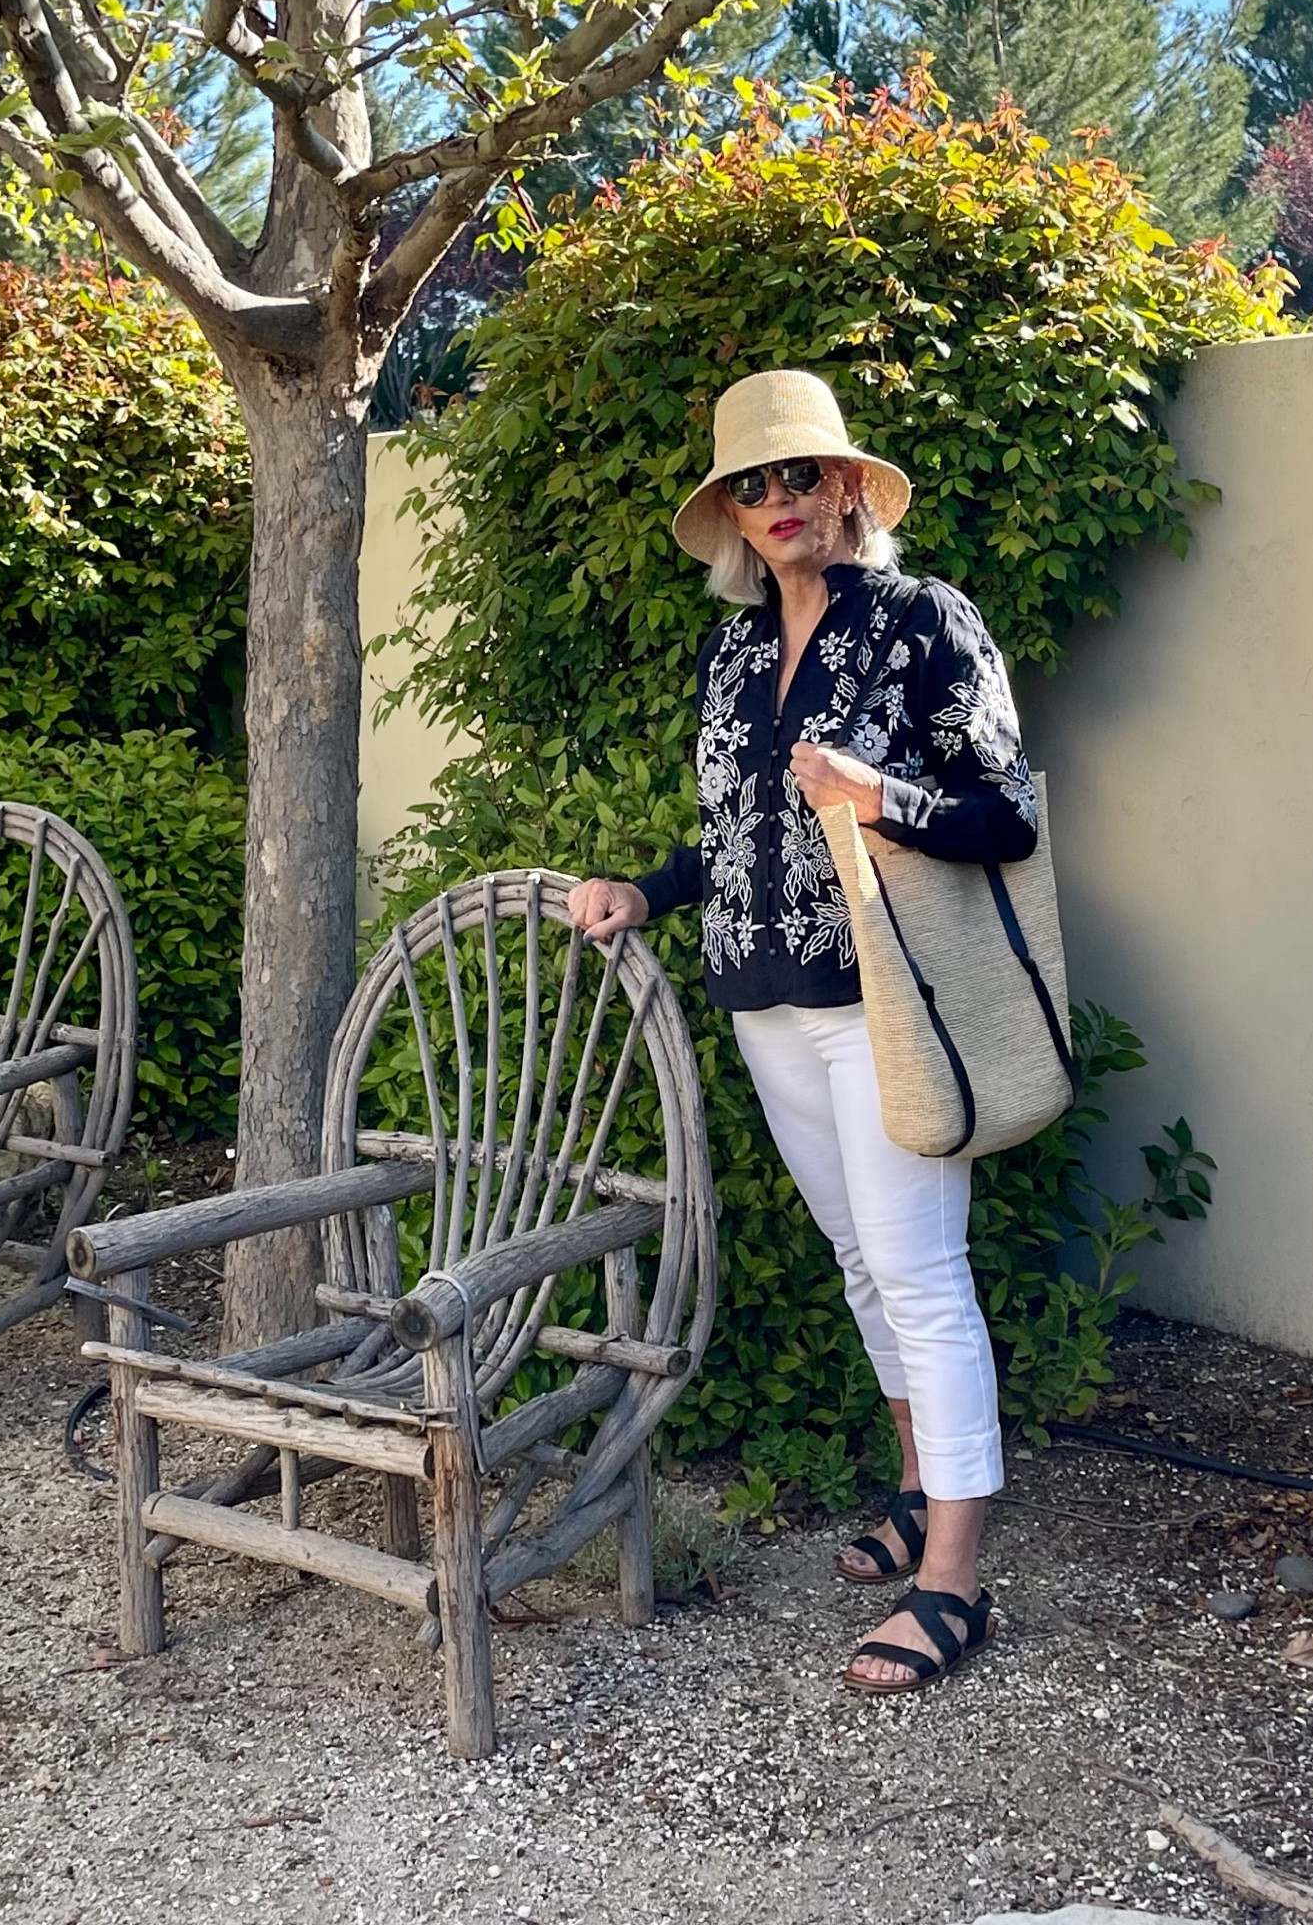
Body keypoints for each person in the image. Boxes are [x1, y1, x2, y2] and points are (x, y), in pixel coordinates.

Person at [567, 369, 1038, 1693]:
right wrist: (641, 893)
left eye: (798, 477)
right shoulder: (724, 651)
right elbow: (731, 837)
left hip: (884, 1005)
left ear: (844, 489)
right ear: (728, 514)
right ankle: (912, 1488)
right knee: (855, 1261)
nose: (776, 501)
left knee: (920, 1277)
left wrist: (878, 794)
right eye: (750, 485)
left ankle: (952, 1581)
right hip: (763, 1006)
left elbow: (1007, 818)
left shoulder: (923, 622)